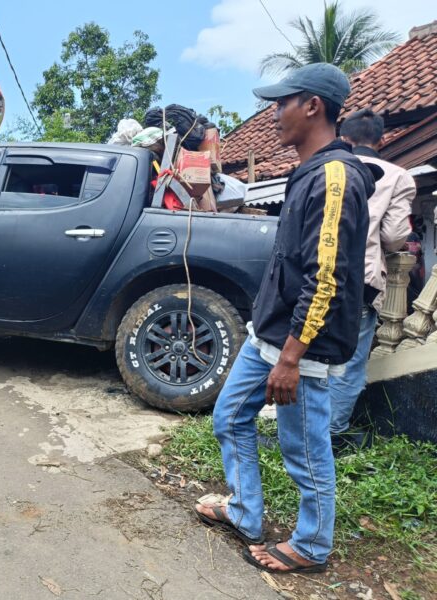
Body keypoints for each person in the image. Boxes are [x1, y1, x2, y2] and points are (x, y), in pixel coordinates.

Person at [193, 64, 377, 573]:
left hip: (303, 347)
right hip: (268, 335)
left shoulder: (335, 176)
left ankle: (313, 545)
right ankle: (246, 511)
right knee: (229, 416)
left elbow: (328, 277)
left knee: (304, 448)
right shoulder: (307, 171)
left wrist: (292, 358)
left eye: (282, 104)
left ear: (313, 106)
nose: (274, 115)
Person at [329, 108, 415, 448]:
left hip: (314, 274)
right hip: (360, 279)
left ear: (344, 138)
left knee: (310, 356)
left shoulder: (327, 169)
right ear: (382, 140)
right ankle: (332, 432)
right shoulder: (398, 176)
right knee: (350, 361)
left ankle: (300, 429)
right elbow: (395, 236)